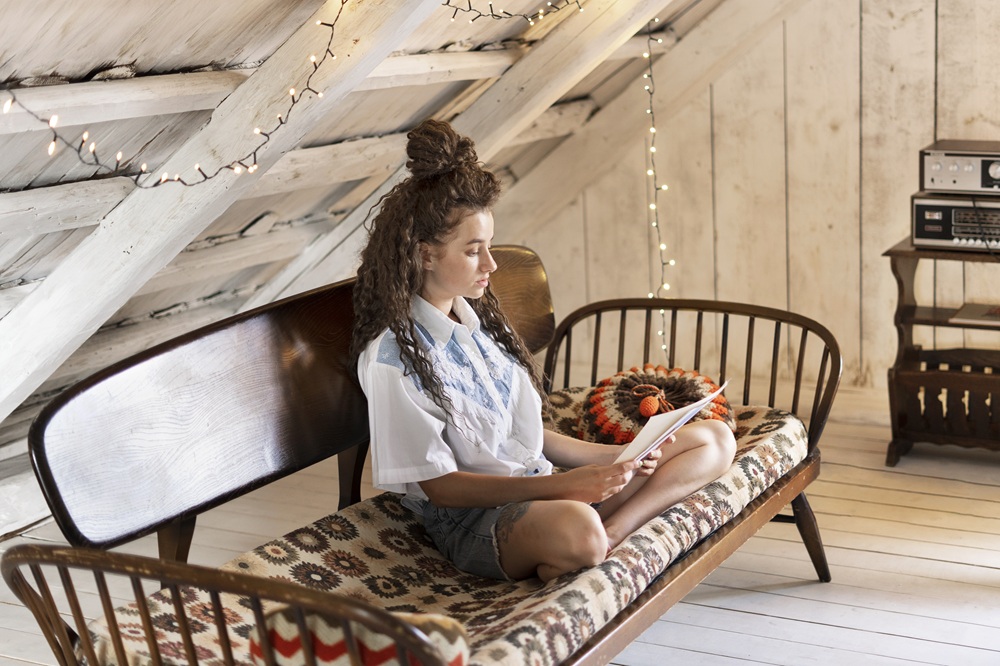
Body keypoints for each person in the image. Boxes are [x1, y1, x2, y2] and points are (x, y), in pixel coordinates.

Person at [352, 119, 736, 583]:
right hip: (475, 517)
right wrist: (564, 486)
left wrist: (613, 460)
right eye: (475, 251)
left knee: (713, 439)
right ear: (424, 254)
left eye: (489, 246)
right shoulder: (394, 358)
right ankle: (595, 537)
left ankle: (615, 531)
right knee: (579, 532)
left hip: (540, 486)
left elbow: (529, 439)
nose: (492, 265)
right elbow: (441, 488)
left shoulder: (476, 329)